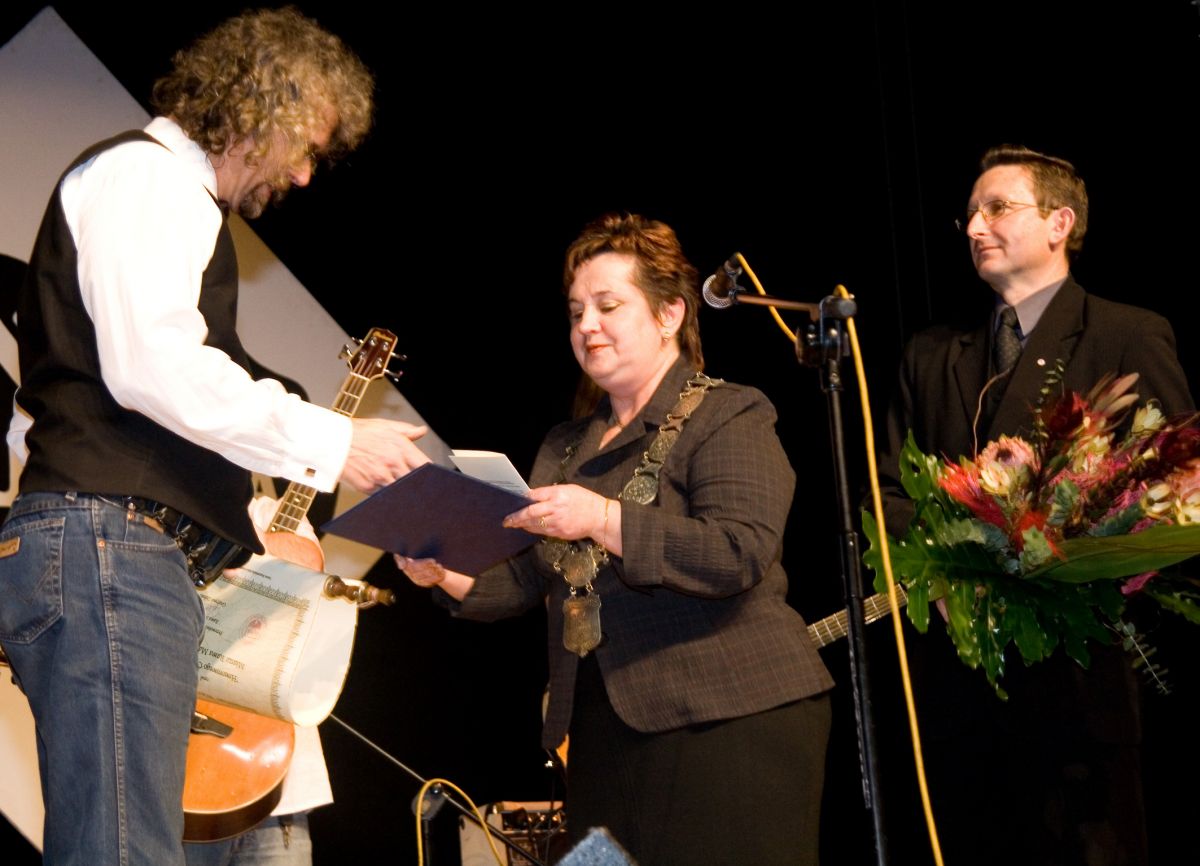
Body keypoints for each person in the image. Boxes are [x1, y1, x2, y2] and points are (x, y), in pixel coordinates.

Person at [0, 9, 429, 866]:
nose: (303, 175)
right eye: (305, 148)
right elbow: (152, 367)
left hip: (120, 548)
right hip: (109, 541)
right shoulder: (147, 178)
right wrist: (336, 442)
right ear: (258, 107)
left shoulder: (168, 194)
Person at [398, 213, 834, 866]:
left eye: (608, 306)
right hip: (601, 730)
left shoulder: (730, 411)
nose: (586, 326)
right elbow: (528, 577)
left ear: (669, 314)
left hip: (729, 716)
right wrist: (443, 572)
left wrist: (602, 518)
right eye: (576, 312)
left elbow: (739, 551)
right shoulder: (565, 445)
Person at [877, 145, 1193, 866]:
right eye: (969, 214)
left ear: (1060, 223)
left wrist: (1071, 545)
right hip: (957, 684)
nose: (974, 227)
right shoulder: (932, 353)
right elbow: (886, 492)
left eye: (996, 208)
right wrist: (953, 564)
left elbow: (1180, 481)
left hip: (1083, 679)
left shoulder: (1126, 333)